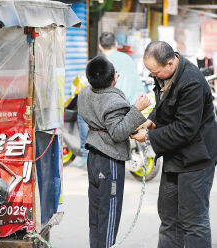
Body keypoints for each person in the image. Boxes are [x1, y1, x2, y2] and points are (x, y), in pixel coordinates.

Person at [131, 41, 217, 248]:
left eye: (155, 72)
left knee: (193, 220)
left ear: (170, 63)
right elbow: (163, 106)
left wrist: (149, 137)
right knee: (169, 218)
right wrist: (151, 120)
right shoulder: (167, 75)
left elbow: (185, 128)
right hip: (175, 155)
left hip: (197, 158)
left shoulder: (191, 82)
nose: (153, 76)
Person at [78, 55, 150, 248]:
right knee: (109, 210)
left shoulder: (84, 93)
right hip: (109, 158)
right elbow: (117, 133)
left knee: (96, 209)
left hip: (93, 155)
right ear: (113, 78)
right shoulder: (112, 100)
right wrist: (137, 109)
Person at [99, 32, 145, 105]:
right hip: (141, 101)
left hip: (121, 105)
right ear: (116, 44)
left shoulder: (103, 63)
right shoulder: (127, 57)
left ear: (100, 46)